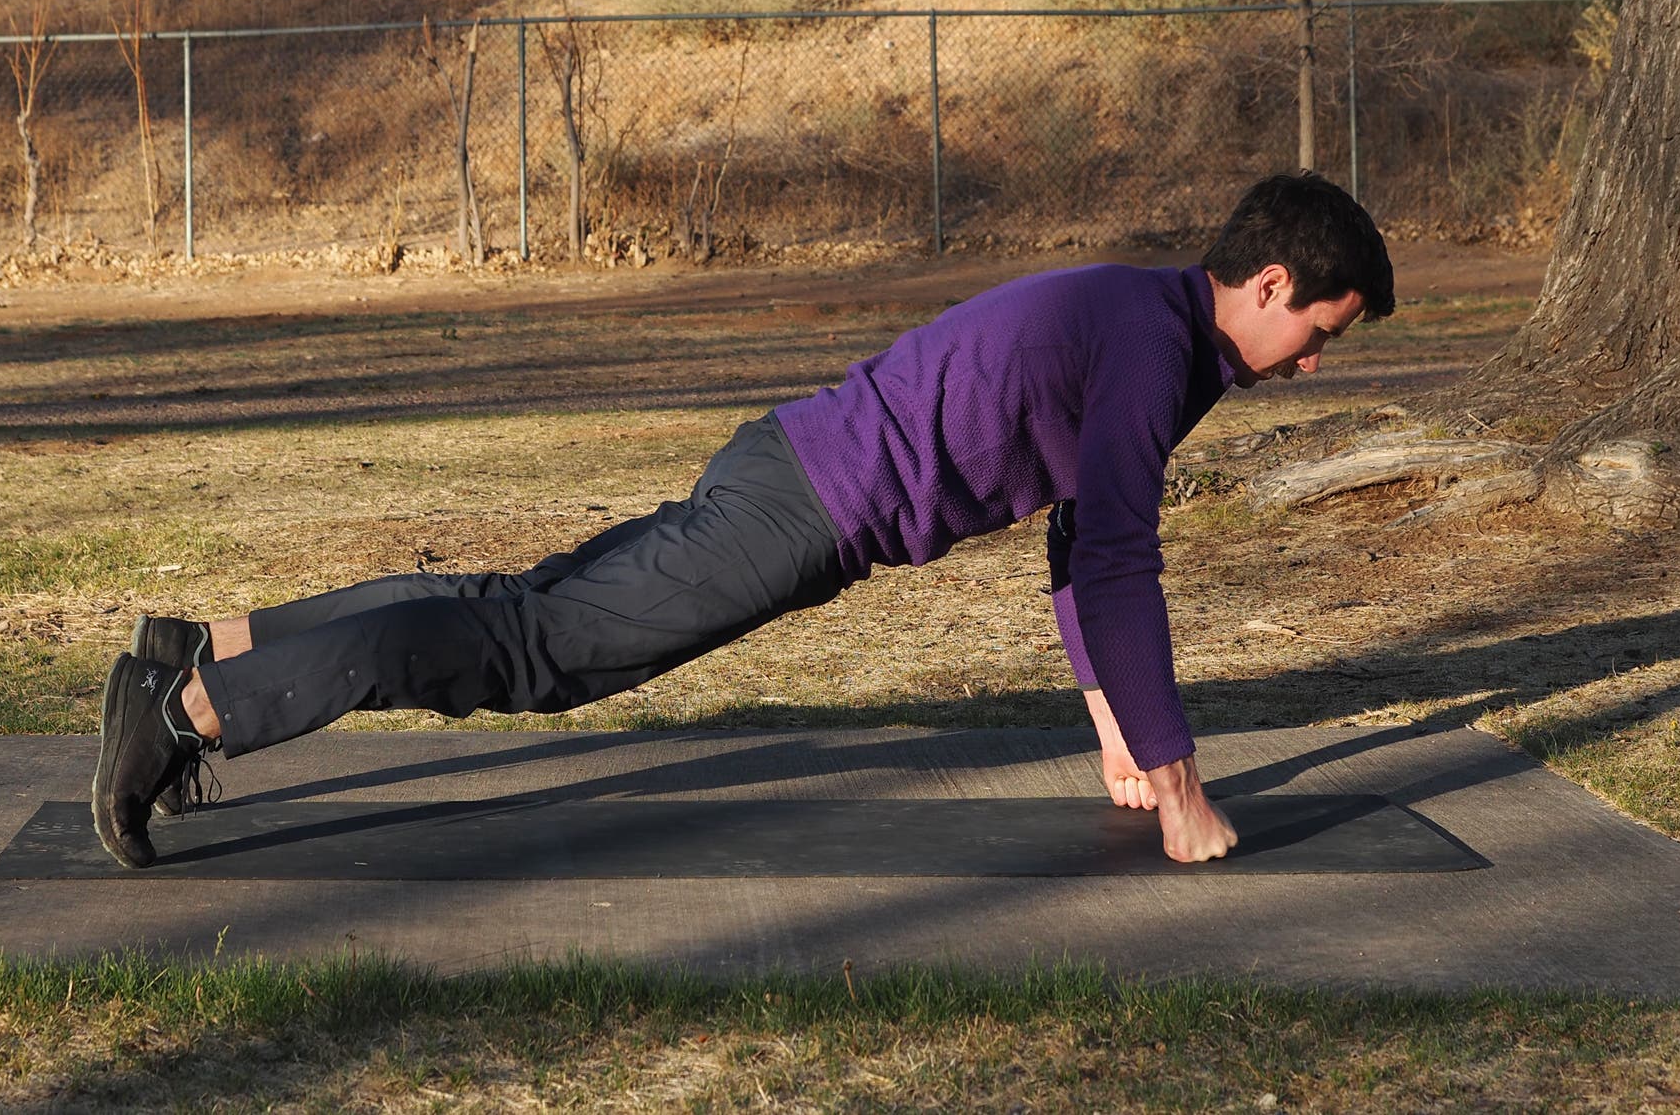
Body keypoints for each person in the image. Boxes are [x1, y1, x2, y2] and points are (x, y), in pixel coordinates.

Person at [91, 171, 1395, 870]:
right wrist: (1178, 788)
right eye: (1320, 335)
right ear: (1272, 282)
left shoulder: (1144, 321)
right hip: (799, 511)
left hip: (788, 468)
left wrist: (1118, 733)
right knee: (536, 650)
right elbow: (1114, 562)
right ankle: (184, 718)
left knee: (512, 606)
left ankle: (183, 645)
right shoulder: (1154, 347)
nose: (1313, 364)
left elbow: (1076, 541)